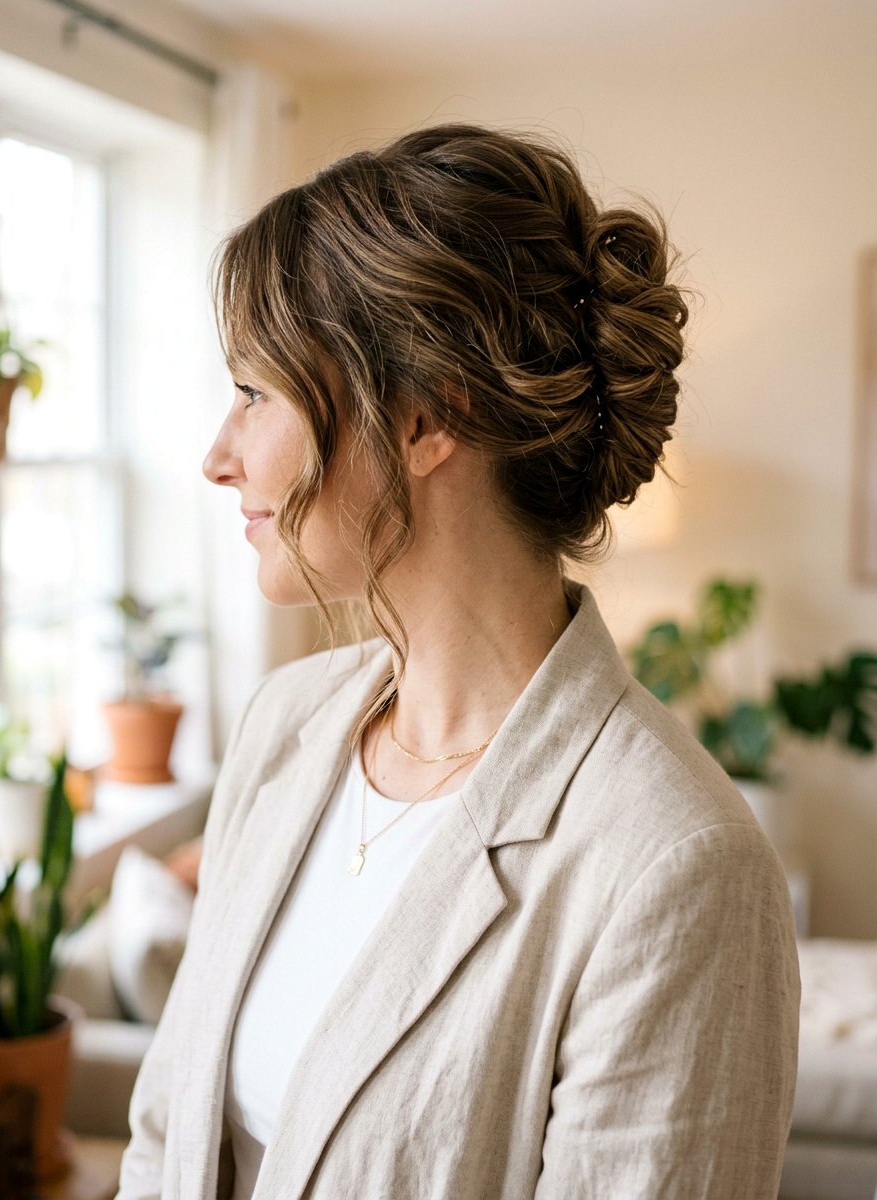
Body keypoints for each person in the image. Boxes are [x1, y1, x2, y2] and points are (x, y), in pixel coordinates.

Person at [116, 123, 800, 1200]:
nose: (217, 454)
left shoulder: (675, 867)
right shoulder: (281, 728)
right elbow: (166, 1140)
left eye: (254, 394)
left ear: (427, 413)